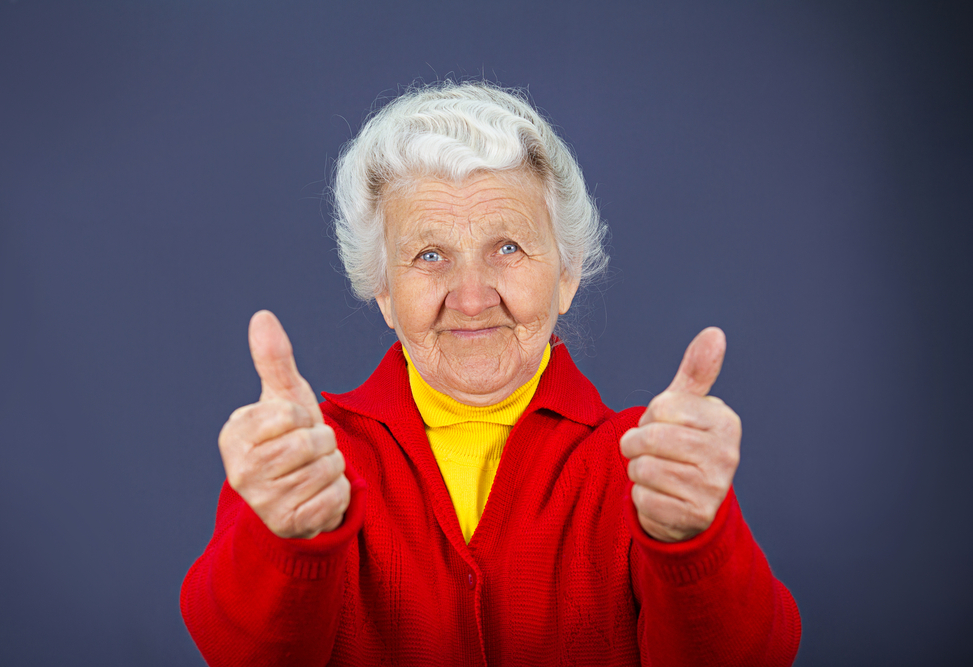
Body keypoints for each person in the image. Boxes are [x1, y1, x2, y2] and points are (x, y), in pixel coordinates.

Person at [181, 81, 801, 666]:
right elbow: (237, 651)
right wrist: (286, 540)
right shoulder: (305, 456)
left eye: (508, 247)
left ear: (566, 274)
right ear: (383, 292)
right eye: (429, 255)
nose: (472, 297)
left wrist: (693, 544)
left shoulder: (649, 462)